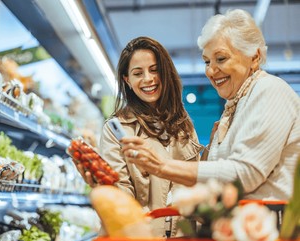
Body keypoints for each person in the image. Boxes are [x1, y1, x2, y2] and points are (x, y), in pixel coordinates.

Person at [121, 9, 300, 202]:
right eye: (207, 61)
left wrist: (162, 166)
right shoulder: (235, 108)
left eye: (221, 59)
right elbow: (216, 180)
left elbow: (246, 174)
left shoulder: (269, 90)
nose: (211, 71)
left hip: (271, 228)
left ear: (254, 57)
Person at [75, 36, 203, 241]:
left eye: (154, 70)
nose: (148, 79)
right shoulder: (117, 129)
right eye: (137, 73)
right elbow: (120, 196)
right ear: (127, 80)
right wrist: (102, 184)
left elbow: (194, 183)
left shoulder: (184, 126)